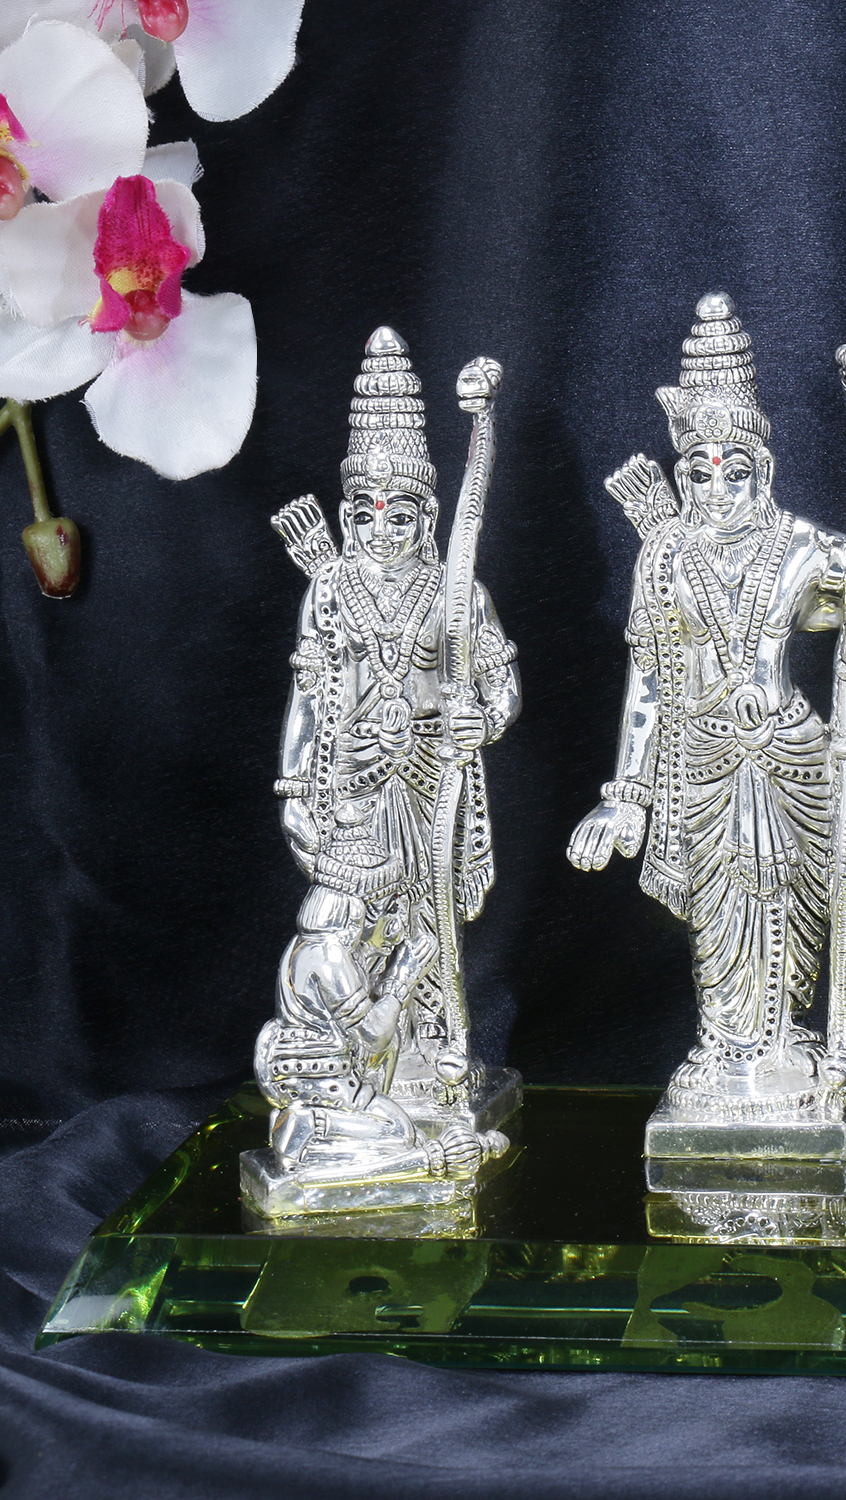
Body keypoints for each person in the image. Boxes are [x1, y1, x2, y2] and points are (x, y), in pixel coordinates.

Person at [568, 294, 846, 1120]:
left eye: (734, 470)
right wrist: (626, 795)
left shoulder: (799, 545)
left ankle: (783, 1044)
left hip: (792, 755)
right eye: (699, 471)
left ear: (762, 471)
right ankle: (730, 1048)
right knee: (720, 911)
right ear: (681, 474)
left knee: (789, 903)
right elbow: (651, 678)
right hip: (701, 763)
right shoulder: (664, 557)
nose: (717, 488)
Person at [257, 327, 519, 1180]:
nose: (381, 530)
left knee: (430, 921)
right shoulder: (329, 589)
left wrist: (482, 719)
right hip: (355, 788)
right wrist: (298, 791)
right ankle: (357, 1065)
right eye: (365, 514)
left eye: (399, 515)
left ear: (427, 518)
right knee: (353, 927)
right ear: (347, 514)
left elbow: (500, 681)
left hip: (430, 786)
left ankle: (435, 1060)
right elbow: (308, 697)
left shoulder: (455, 590)